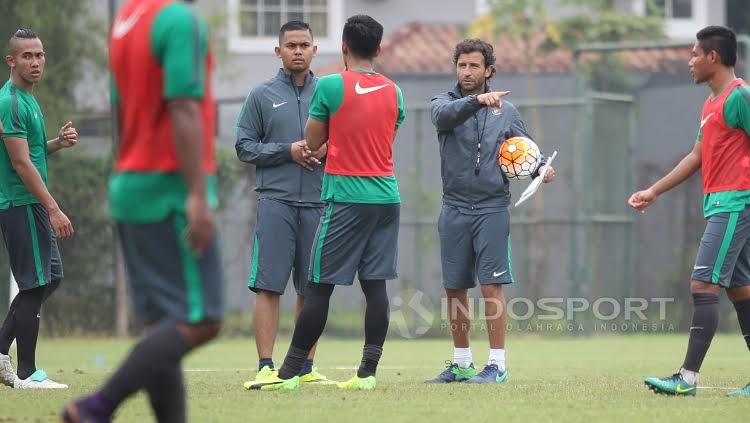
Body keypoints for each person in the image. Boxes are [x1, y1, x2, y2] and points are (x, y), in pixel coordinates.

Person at [61, 0, 224, 420]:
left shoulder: (125, 21)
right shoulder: (177, 20)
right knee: (204, 319)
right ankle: (97, 406)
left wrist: (126, 173)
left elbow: (119, 112)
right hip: (169, 188)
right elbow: (184, 106)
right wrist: (196, 196)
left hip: (131, 184)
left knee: (160, 326)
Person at [247, 14, 405, 391]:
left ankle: (286, 375)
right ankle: (366, 375)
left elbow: (313, 140)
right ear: (379, 49)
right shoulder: (394, 90)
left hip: (346, 196)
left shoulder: (331, 85)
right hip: (386, 195)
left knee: (318, 286)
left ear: (344, 48)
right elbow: (386, 136)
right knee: (375, 286)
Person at [630, 25, 750, 398]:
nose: (690, 62)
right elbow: (697, 156)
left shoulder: (739, 97)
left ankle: (687, 378)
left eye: (694, 55)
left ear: (713, 57)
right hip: (720, 204)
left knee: (703, 283)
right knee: (741, 291)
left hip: (735, 203)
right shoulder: (711, 103)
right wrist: (654, 190)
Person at [426, 39, 555, 384]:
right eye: (462, 66)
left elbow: (526, 152)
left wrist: (542, 168)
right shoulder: (444, 103)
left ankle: (496, 365)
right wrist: (476, 101)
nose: (466, 72)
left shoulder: (507, 112)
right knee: (454, 288)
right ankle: (462, 362)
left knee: (491, 287)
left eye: (473, 66)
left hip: (492, 209)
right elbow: (444, 117)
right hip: (453, 208)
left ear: (489, 71)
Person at [236, 20, 333, 387]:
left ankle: (306, 368)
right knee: (268, 286)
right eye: (290, 45)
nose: (297, 50)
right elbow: (244, 146)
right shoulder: (261, 95)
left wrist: (326, 150)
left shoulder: (328, 93)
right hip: (275, 201)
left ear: (314, 50)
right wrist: (287, 152)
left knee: (312, 288)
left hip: (319, 203)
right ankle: (266, 365)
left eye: (304, 45)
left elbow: (344, 141)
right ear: (278, 51)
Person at [0, 28, 78, 390]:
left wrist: (56, 144)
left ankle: (1, 350)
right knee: (34, 283)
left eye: (39, 55)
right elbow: (20, 164)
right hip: (22, 203)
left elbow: (30, 151)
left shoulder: (30, 99)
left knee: (52, 277)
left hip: (31, 204)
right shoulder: (10, 101)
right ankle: (28, 374)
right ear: (11, 60)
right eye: (27, 56)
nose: (35, 62)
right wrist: (53, 208)